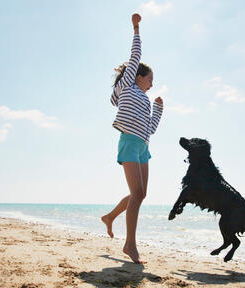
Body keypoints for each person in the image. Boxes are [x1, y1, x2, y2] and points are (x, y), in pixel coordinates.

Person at [101, 13, 163, 264]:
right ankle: (130, 245)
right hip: (128, 143)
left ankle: (109, 217)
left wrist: (159, 109)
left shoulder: (146, 99)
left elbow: (151, 129)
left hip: (143, 147)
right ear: (138, 76)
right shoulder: (128, 86)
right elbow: (135, 56)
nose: (151, 85)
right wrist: (136, 29)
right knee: (137, 194)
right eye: (150, 80)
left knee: (140, 194)